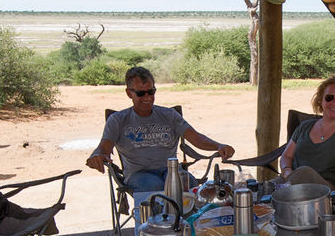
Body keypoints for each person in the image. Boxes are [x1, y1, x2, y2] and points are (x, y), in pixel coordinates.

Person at [85, 66, 235, 192]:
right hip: (138, 174)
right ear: (129, 93)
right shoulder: (118, 120)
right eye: (140, 93)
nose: (147, 97)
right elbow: (103, 148)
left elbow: (196, 138)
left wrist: (218, 145)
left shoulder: (169, 115)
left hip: (171, 170)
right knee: (155, 186)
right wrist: (97, 156)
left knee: (187, 183)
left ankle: (190, 225)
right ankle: (156, 226)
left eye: (151, 91)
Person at [276, 76, 335, 187]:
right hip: (290, 182)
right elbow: (286, 156)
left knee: (305, 172)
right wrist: (287, 171)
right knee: (261, 190)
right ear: (320, 100)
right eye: (329, 97)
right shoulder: (304, 127)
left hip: (324, 192)